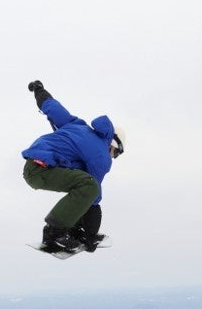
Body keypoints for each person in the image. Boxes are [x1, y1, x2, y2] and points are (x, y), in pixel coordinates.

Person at [20, 80, 124, 253]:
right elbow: (93, 191)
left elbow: (53, 108)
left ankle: (71, 229)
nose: (113, 157)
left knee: (82, 183)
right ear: (114, 144)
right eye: (117, 153)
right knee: (89, 186)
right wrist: (91, 233)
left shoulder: (78, 125)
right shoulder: (101, 155)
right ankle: (55, 232)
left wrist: (39, 91)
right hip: (41, 169)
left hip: (33, 165)